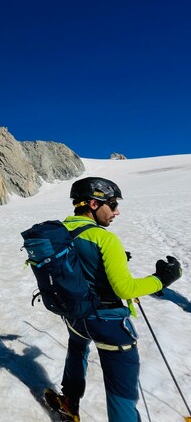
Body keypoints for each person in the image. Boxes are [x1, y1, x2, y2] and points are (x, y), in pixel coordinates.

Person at [53, 176, 182, 422]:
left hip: (76, 316)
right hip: (109, 323)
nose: (117, 211)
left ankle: (69, 402)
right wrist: (162, 279)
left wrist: (105, 263)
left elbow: (77, 264)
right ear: (93, 204)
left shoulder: (61, 231)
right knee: (121, 391)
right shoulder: (105, 239)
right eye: (112, 204)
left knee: (77, 348)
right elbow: (125, 289)